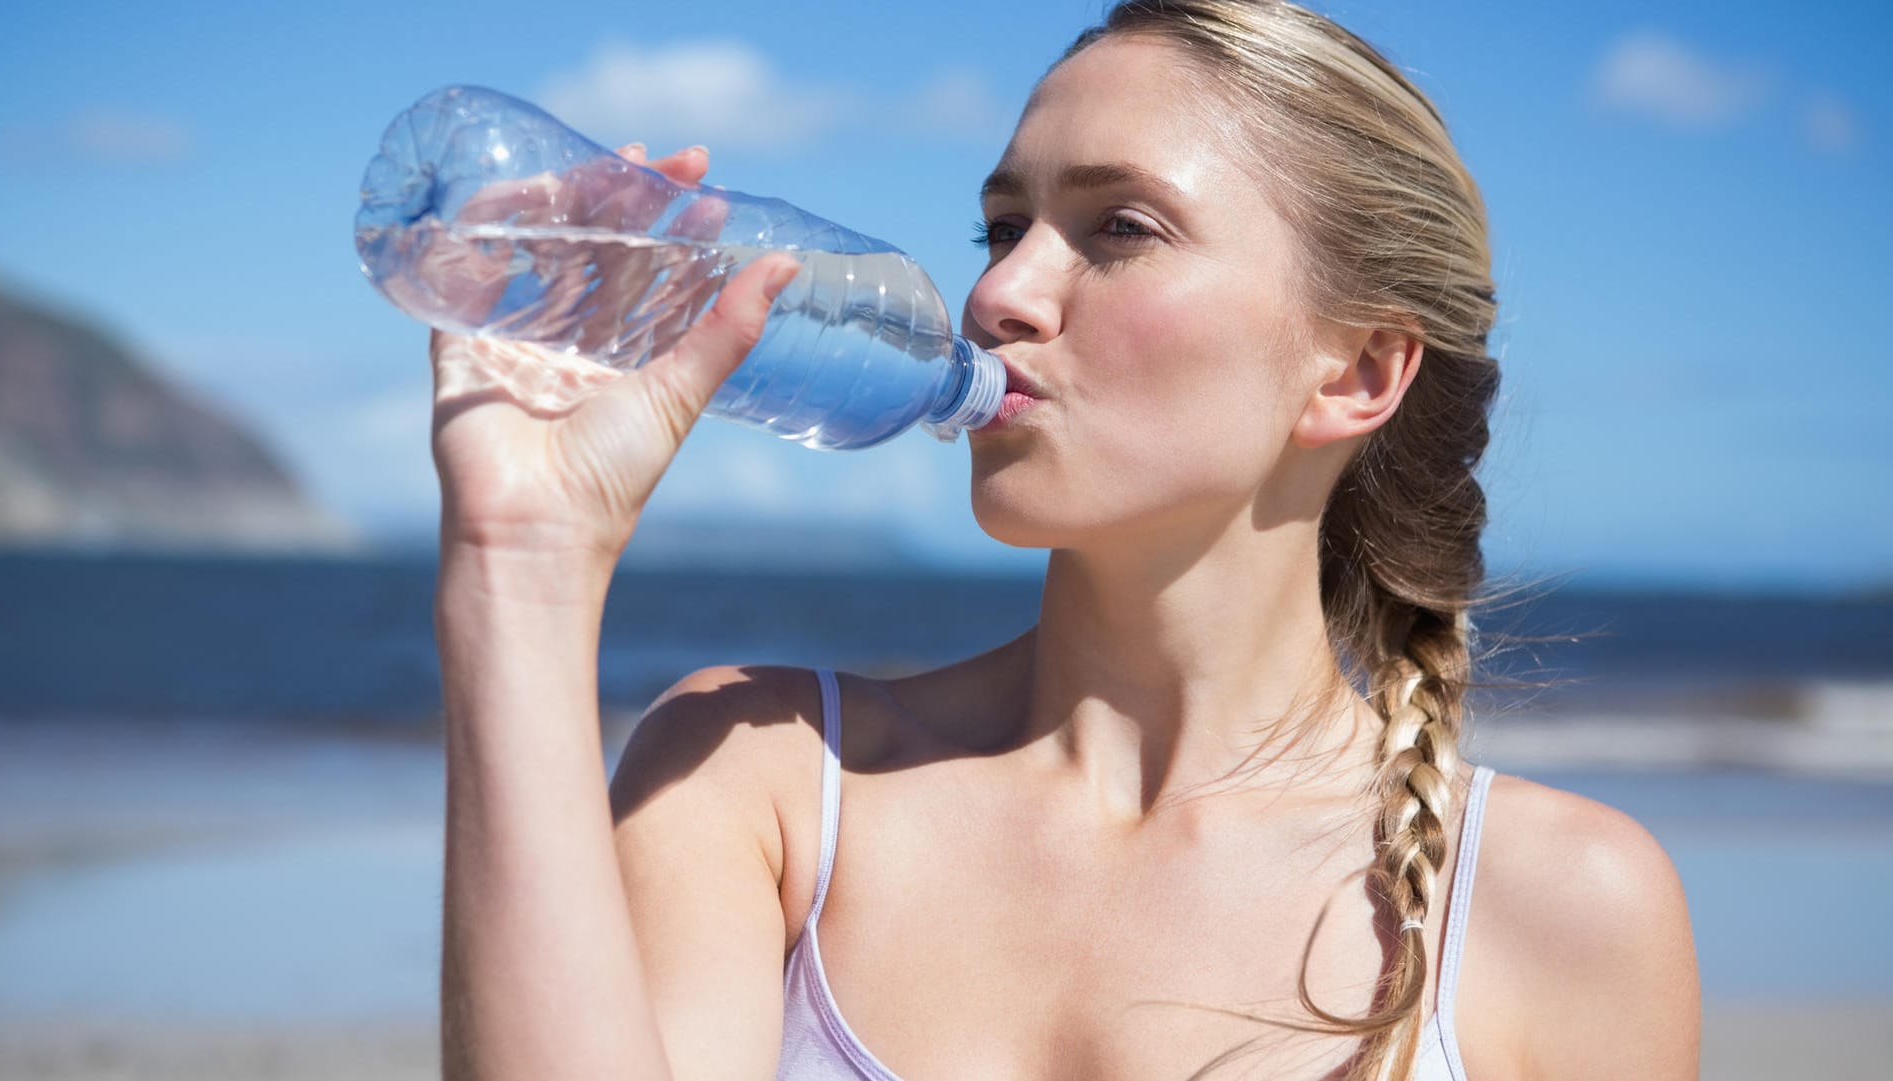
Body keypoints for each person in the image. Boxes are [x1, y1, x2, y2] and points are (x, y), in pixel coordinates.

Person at [429, 1, 1701, 1078]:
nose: (995, 295)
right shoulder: (758, 786)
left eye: (1119, 230)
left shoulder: (1559, 908)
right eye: (1001, 227)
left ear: (1357, 370)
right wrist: (519, 565)